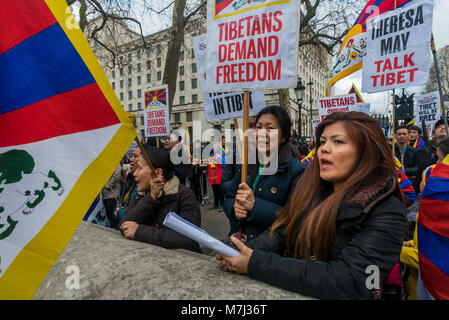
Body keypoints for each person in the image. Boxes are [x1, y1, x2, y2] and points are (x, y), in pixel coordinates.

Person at [217, 111, 407, 300]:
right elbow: (282, 232)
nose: (324, 148)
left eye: (338, 141)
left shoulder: (388, 211)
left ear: (366, 152)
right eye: (322, 142)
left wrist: (255, 262)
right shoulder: (312, 192)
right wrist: (240, 250)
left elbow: (351, 280)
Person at [222, 106, 306, 241]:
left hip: (266, 253)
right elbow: (229, 197)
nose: (262, 133)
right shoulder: (245, 165)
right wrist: (234, 209)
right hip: (236, 244)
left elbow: (294, 220)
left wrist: (254, 206)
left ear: (284, 136)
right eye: (258, 127)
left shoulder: (298, 171)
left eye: (270, 128)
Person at [119, 146, 202, 253]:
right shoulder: (143, 194)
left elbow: (190, 239)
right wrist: (151, 198)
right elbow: (124, 225)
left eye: (139, 168)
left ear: (158, 173)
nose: (134, 174)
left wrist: (140, 232)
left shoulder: (184, 195)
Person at [112, 146, 142, 227]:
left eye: (135, 156)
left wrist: (119, 213)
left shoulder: (148, 185)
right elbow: (123, 199)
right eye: (131, 156)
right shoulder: (130, 177)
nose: (131, 159)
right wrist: (118, 209)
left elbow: (136, 216)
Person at [394, 126, 419, 194]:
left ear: (408, 135)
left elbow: (418, 168)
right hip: (395, 183)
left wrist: (404, 171)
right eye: (399, 134)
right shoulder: (390, 150)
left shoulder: (414, 151)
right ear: (395, 135)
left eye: (404, 134)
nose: (401, 136)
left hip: (410, 183)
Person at [101, 162, 122, 228]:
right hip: (105, 195)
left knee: (111, 215)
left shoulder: (116, 163)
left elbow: (116, 176)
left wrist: (107, 186)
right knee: (106, 215)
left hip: (112, 195)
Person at [208, 140, 224, 211]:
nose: (214, 147)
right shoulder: (211, 153)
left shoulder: (222, 152)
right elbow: (208, 162)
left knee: (220, 189)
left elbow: (224, 162)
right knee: (214, 189)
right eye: (213, 145)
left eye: (216, 145)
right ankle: (216, 203)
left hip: (220, 173)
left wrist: (218, 159)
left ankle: (222, 204)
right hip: (213, 174)